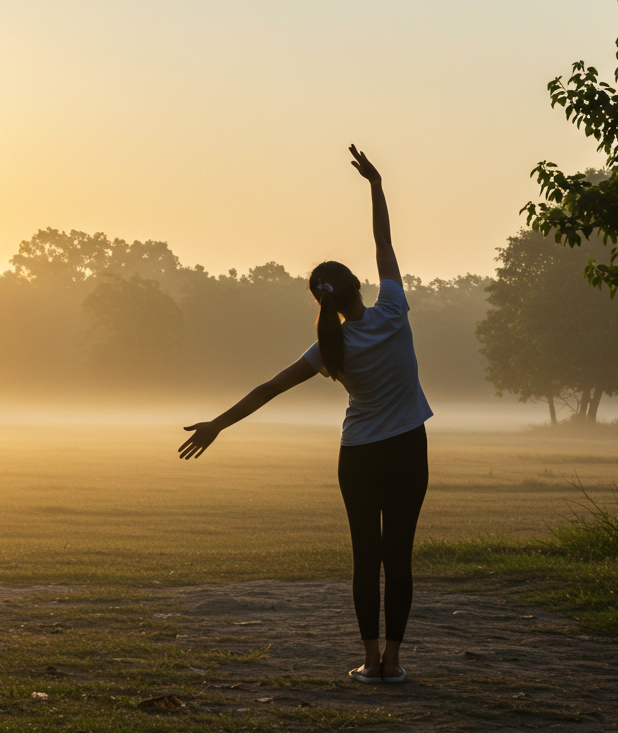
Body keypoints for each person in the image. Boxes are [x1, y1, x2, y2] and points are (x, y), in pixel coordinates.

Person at [177, 145, 432, 684]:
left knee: (366, 559)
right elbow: (384, 243)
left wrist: (216, 426)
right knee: (398, 558)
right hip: (407, 448)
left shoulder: (327, 348)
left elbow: (267, 389)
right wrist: (376, 185)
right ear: (357, 286)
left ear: (322, 303)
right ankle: (394, 662)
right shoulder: (393, 311)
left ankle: (367, 663)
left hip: (358, 456)